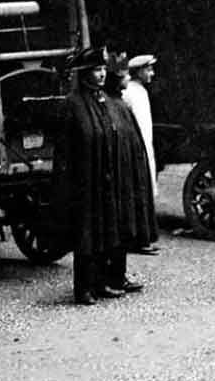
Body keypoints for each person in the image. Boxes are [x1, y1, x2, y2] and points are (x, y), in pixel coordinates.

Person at [53, 46, 148, 305]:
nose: (102, 74)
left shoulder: (104, 101)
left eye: (103, 69)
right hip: (84, 182)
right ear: (84, 74)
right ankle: (83, 288)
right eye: (96, 70)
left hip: (105, 179)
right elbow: (65, 152)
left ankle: (102, 282)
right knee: (86, 235)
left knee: (106, 231)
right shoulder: (72, 105)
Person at [121, 54, 161, 255]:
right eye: (148, 70)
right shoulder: (130, 92)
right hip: (137, 150)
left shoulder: (140, 92)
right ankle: (138, 239)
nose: (152, 74)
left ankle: (144, 237)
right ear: (138, 71)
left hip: (145, 147)